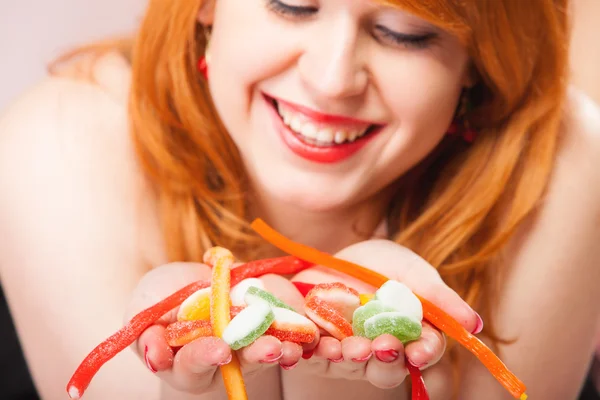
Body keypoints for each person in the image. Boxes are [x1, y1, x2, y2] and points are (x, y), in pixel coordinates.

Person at [0, 0, 599, 399]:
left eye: (403, 33)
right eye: (292, 2)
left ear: (478, 62)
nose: (332, 77)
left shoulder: (568, 164)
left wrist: (341, 374)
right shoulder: (56, 137)